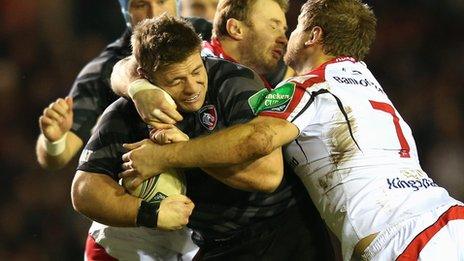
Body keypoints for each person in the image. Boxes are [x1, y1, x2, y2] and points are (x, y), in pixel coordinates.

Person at [119, 0, 464, 260]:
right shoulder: (367, 80)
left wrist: (166, 156)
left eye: (294, 26)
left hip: (405, 239)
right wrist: (137, 86)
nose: (286, 36)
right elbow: (124, 66)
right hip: (448, 217)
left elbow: (259, 138)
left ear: (314, 36)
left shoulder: (308, 86)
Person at [75, 14, 331, 260]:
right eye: (176, 80)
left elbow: (267, 176)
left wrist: (175, 155)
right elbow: (84, 190)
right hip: (216, 242)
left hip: (285, 227)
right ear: (145, 77)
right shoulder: (128, 113)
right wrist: (148, 214)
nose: (192, 87)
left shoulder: (235, 81)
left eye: (197, 71)